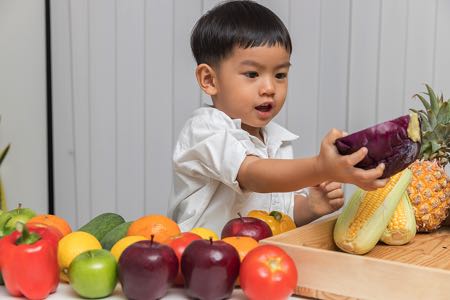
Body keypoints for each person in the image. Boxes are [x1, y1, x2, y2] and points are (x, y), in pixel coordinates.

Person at [168, 0, 388, 234]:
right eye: (252, 74)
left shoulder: (275, 140)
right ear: (209, 80)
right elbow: (253, 175)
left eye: (280, 74)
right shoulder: (205, 130)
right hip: (205, 263)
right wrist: (321, 168)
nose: (269, 88)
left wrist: (311, 207)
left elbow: (278, 217)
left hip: (261, 263)